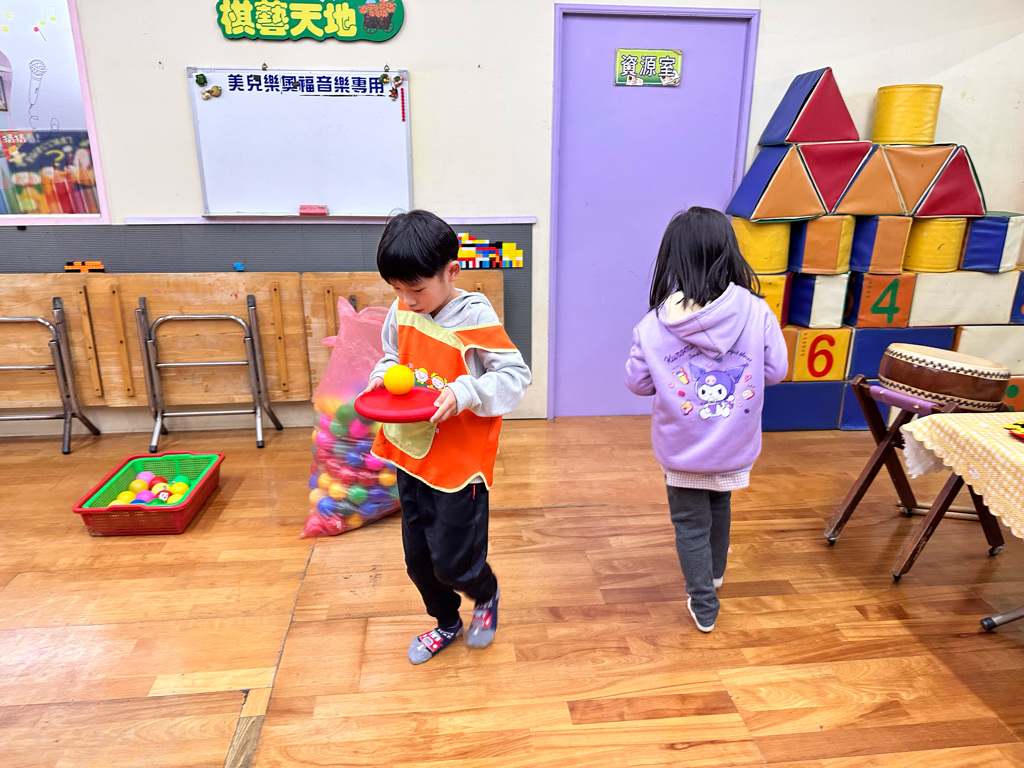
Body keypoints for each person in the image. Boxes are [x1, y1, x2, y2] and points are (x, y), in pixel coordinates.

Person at [364, 210, 531, 664]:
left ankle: (486, 593)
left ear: (451, 272)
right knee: (418, 561)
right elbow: (393, 354)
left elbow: (516, 377)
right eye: (396, 289)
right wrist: (383, 374)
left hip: (459, 468)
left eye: (416, 289)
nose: (406, 300)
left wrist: (465, 391)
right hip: (413, 455)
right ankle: (447, 622)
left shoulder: (474, 316)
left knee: (455, 562)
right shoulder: (403, 309)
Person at [624, 206, 788, 632]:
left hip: (682, 449)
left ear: (672, 259)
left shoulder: (653, 325)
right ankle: (714, 577)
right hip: (735, 445)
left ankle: (703, 602)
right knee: (720, 504)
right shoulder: (757, 311)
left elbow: (638, 384)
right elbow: (776, 371)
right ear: (729, 252)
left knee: (689, 522)